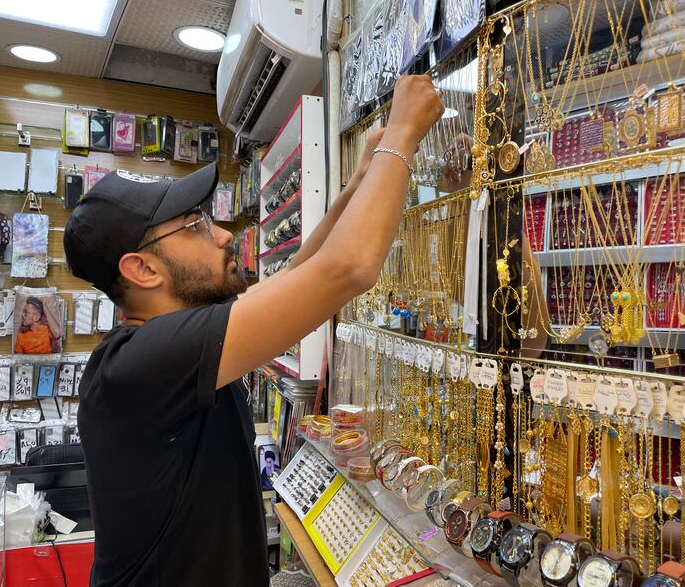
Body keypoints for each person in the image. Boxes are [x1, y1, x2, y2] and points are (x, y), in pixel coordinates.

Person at [63, 75, 443, 587]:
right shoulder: (141, 363)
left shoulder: (167, 342)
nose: (222, 234)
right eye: (194, 225)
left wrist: (356, 185)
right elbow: (348, 269)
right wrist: (401, 135)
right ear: (143, 270)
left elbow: (294, 276)